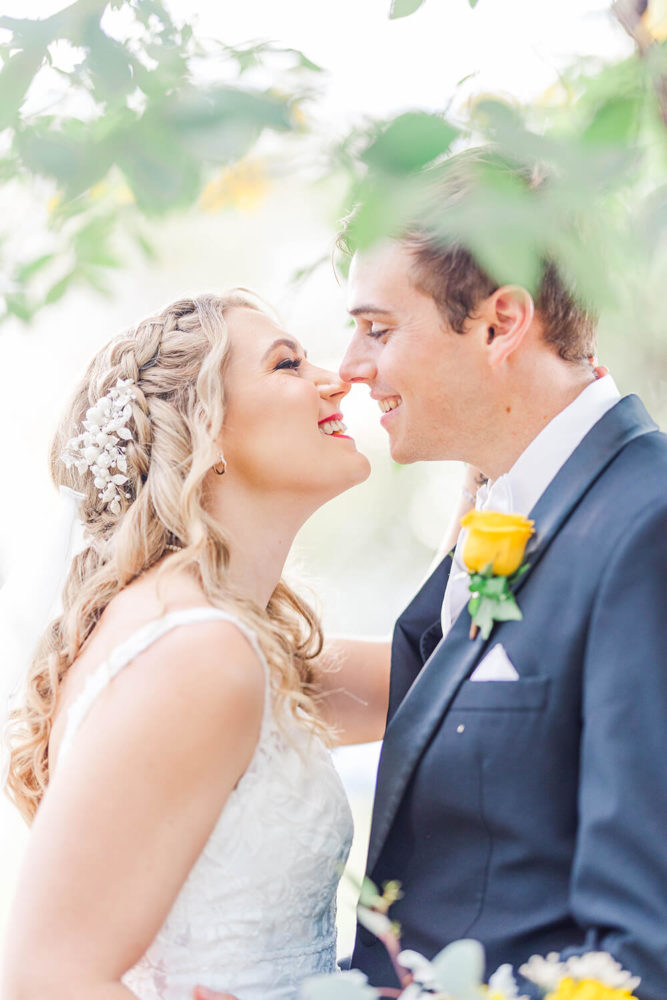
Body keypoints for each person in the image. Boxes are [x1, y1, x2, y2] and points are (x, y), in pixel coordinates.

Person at [325, 149, 667, 998]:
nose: (349, 368)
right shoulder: (501, 517)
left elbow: (642, 946)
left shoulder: (648, 525)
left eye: (377, 329)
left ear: (499, 322)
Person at [1, 291, 374, 1000]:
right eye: (288, 363)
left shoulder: (232, 641)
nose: (335, 378)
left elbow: (447, 668)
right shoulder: (196, 655)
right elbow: (45, 979)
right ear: (207, 435)